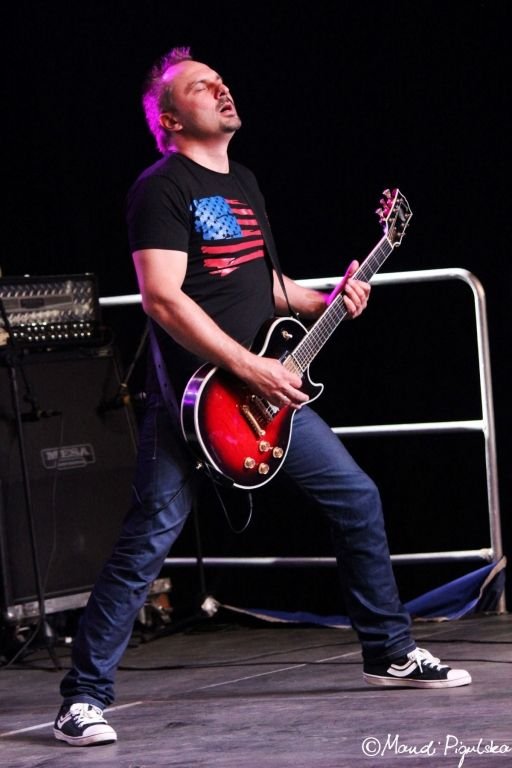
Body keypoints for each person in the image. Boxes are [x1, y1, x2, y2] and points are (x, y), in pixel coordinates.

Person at [53, 46, 471, 747]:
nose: (221, 88)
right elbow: (162, 298)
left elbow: (262, 283)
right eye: (200, 86)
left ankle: (389, 651)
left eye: (220, 80)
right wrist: (250, 366)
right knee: (148, 541)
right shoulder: (161, 189)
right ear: (169, 118)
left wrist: (327, 298)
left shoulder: (243, 180)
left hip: (262, 400)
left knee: (357, 498)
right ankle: (83, 699)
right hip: (194, 400)